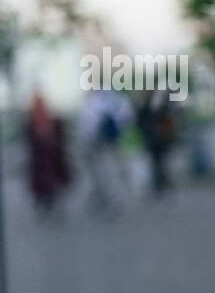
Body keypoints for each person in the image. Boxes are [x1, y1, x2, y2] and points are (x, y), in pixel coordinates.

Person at [77, 85, 134, 217]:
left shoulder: (95, 102)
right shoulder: (116, 99)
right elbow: (126, 117)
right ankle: (106, 199)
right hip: (112, 141)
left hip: (98, 143)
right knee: (107, 172)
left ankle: (109, 200)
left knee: (104, 173)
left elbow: (87, 124)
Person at [23, 88, 73, 218]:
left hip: (50, 160)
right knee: (45, 186)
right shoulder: (33, 121)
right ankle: (46, 206)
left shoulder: (51, 121)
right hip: (41, 162)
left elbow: (60, 138)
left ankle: (50, 206)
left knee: (51, 185)